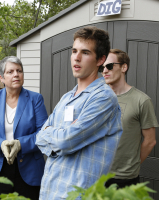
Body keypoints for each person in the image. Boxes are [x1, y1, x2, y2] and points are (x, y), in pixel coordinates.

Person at [35, 26, 123, 199]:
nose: (76, 57)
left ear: (101, 60)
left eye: (85, 52)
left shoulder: (104, 98)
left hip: (77, 194)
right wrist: (60, 135)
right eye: (74, 51)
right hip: (49, 191)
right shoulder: (66, 98)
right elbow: (39, 138)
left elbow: (65, 142)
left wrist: (53, 134)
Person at [0, 56, 48, 200]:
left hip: (28, 168)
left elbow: (44, 133)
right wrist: (0, 144)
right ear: (2, 78)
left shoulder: (35, 99)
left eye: (19, 71)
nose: (16, 74)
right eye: (10, 72)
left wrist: (20, 144)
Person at [101, 49, 159, 188]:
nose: (104, 71)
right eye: (101, 67)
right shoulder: (97, 97)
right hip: (96, 174)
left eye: (109, 66)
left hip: (124, 179)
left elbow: (150, 141)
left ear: (124, 67)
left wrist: (131, 165)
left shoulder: (141, 100)